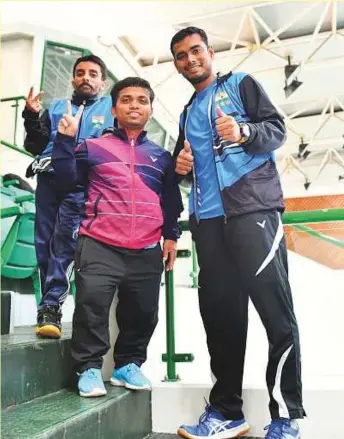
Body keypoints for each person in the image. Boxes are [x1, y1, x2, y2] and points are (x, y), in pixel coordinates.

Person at [171, 27, 305, 439]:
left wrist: (244, 132)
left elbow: (276, 131)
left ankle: (285, 417)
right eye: (181, 55)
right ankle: (228, 411)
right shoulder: (186, 110)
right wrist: (182, 168)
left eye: (196, 50)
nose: (190, 59)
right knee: (221, 320)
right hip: (207, 224)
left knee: (275, 314)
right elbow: (188, 166)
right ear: (176, 64)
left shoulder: (241, 85)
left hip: (252, 213)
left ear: (210, 52)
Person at [51, 77, 183, 397]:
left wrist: (171, 236)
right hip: (99, 243)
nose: (134, 105)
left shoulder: (162, 158)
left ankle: (128, 365)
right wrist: (65, 141)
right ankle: (89, 368)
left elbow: (170, 200)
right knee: (91, 306)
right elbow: (66, 180)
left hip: (146, 248)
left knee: (143, 312)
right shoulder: (93, 147)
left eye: (141, 99)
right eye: (126, 100)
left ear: (150, 109)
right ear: (114, 109)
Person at [22, 55, 113, 338]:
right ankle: (47, 307)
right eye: (81, 73)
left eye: (93, 74)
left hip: (80, 184)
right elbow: (35, 145)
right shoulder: (55, 108)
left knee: (64, 243)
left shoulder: (111, 109)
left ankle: (52, 306)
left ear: (103, 82)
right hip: (49, 180)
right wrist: (30, 116)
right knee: (43, 242)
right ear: (73, 79)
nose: (86, 77)